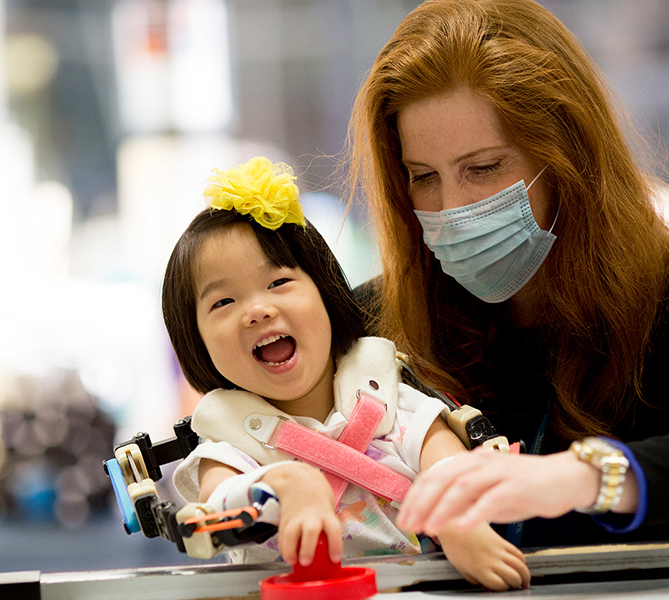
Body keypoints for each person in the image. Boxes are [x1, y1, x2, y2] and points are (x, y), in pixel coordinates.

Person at [346, 0, 669, 548]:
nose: (452, 206)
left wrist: (583, 477)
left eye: (484, 168)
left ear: (569, 158)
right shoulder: (368, 322)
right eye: (423, 176)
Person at [161, 156, 530, 590]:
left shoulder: (390, 402)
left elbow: (447, 466)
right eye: (223, 303)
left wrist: (456, 523)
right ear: (196, 342)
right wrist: (281, 483)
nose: (258, 310)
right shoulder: (230, 448)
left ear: (327, 292)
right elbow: (220, 504)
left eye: (278, 282)